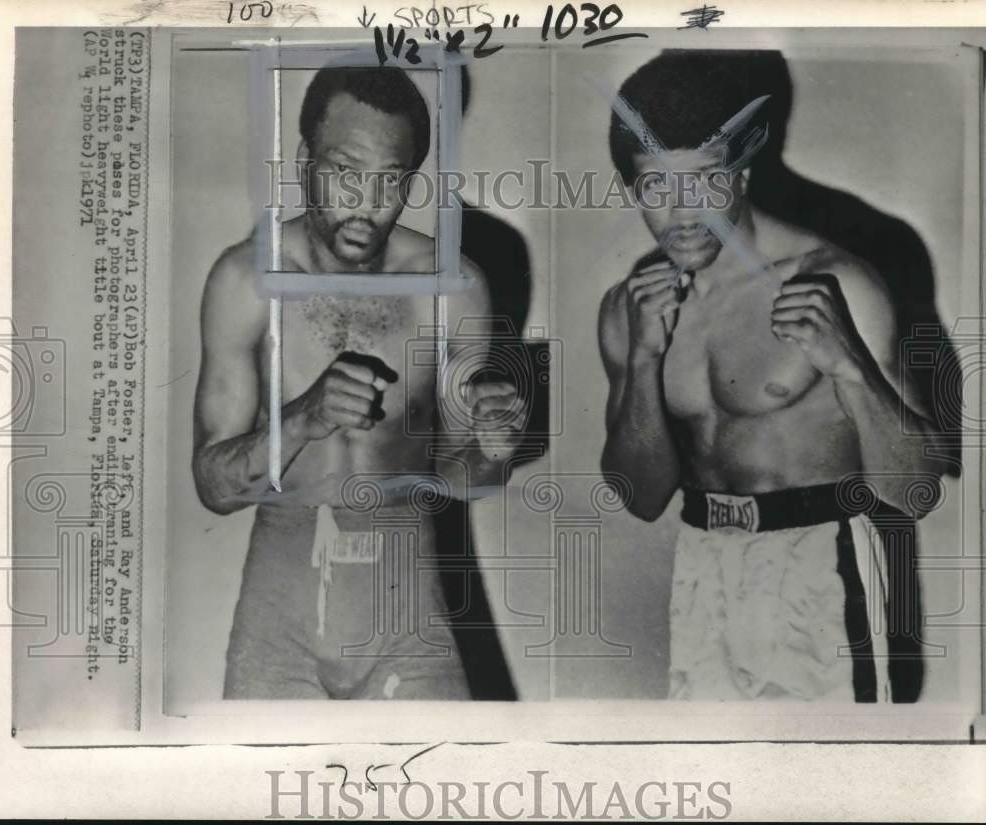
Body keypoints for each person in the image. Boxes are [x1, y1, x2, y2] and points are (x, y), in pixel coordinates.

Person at [598, 50, 947, 702]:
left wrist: (848, 365)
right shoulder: (631, 308)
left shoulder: (838, 284)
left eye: (706, 181)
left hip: (824, 567)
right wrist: (644, 361)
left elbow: (918, 489)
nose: (684, 212)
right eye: (657, 186)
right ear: (630, 190)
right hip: (702, 562)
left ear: (742, 173)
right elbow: (641, 498)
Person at [192, 66, 526, 700]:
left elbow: (462, 478)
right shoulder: (247, 280)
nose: (366, 202)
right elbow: (213, 487)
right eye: (346, 171)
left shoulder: (451, 288)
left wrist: (493, 447)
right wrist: (302, 420)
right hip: (280, 615)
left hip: (407, 606)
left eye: (389, 180)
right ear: (305, 162)